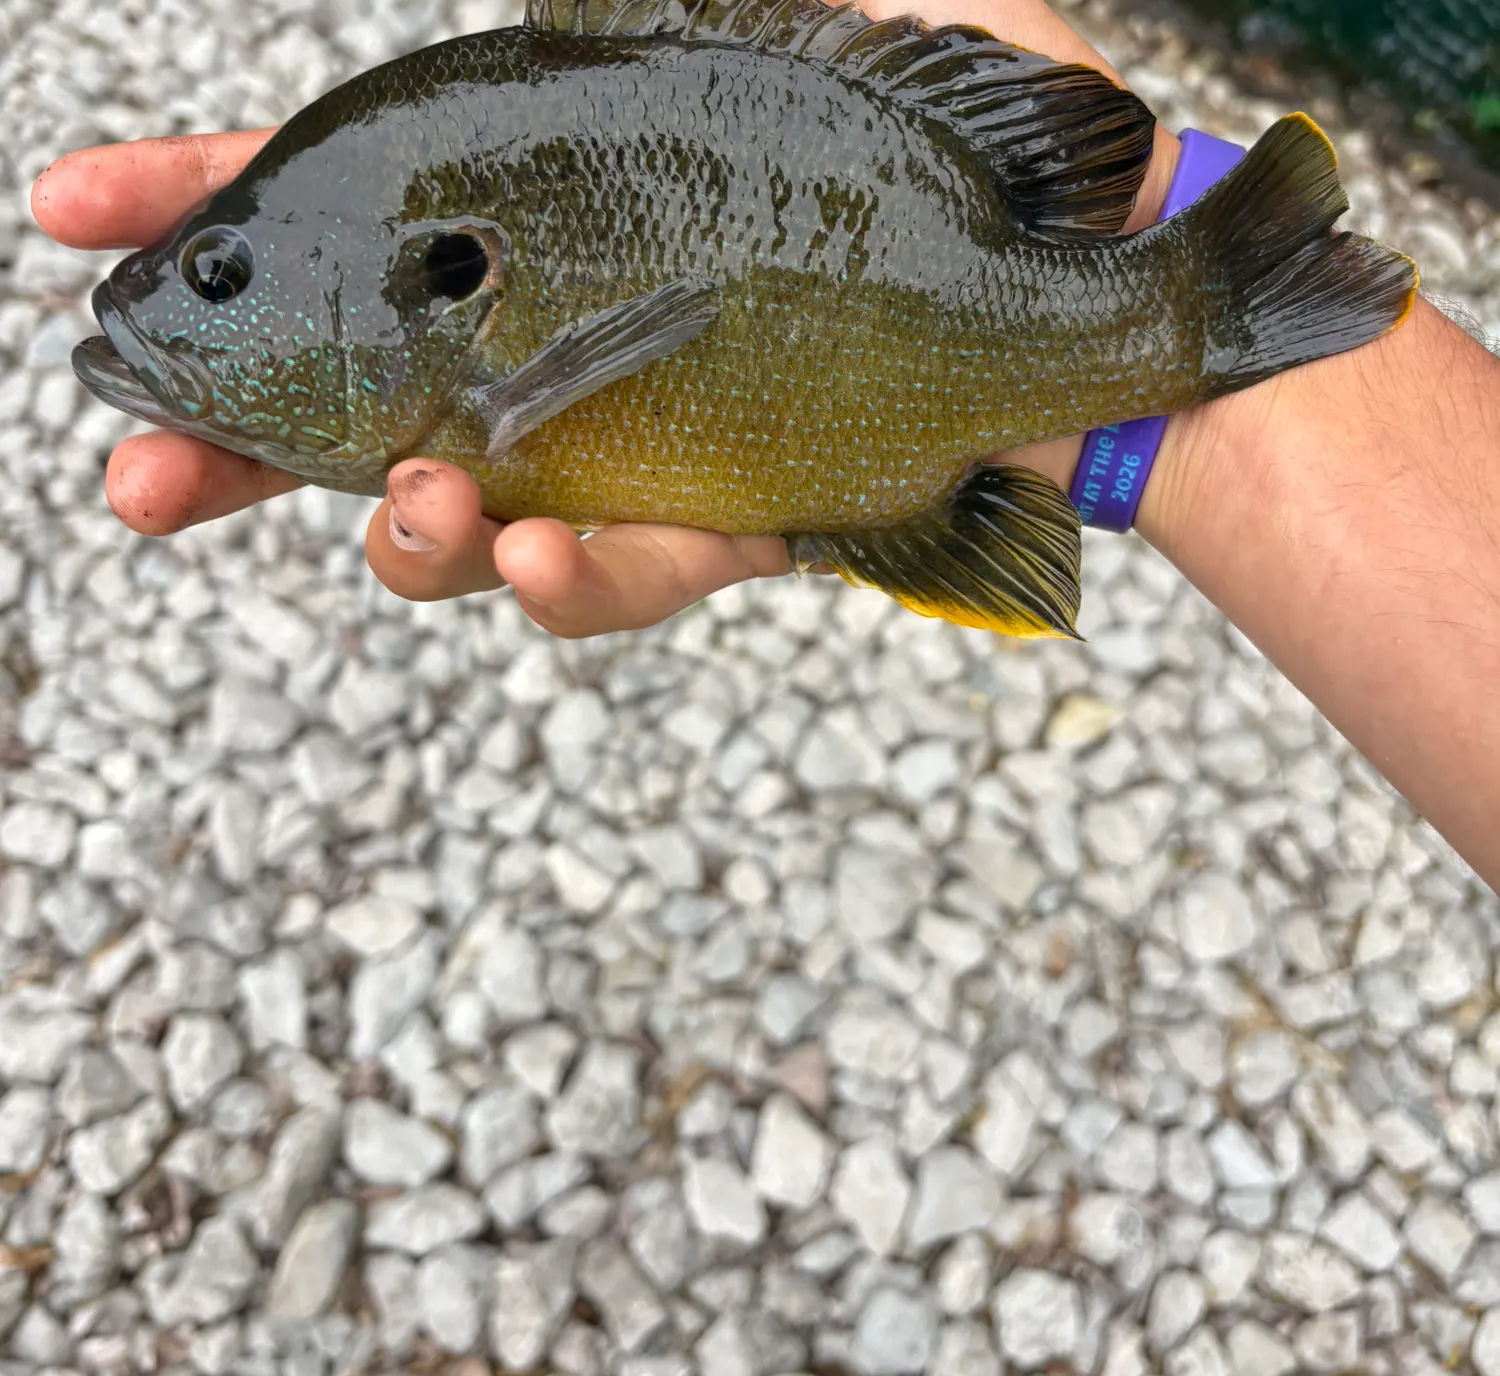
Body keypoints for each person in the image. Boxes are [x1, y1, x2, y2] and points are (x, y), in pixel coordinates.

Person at [31, 0, 1500, 891]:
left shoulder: (459, 301)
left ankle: (1199, 295)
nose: (177, 304)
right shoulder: (438, 225)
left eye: (218, 275)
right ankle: (1199, 298)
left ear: (432, 278)